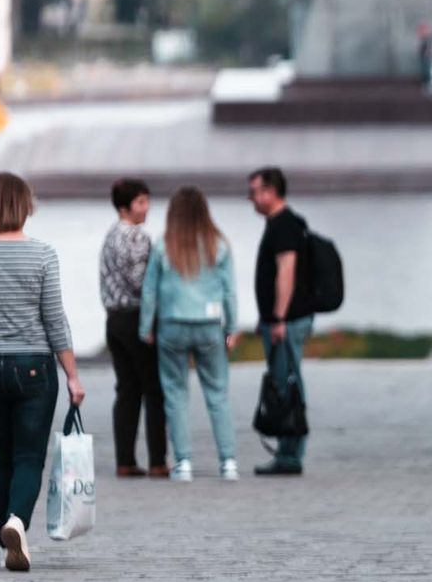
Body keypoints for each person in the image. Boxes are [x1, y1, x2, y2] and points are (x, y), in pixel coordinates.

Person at [0, 171, 86, 572]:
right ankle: (17, 522)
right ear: (26, 206)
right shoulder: (43, 253)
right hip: (35, 368)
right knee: (28, 456)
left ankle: (7, 531)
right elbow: (55, 319)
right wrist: (72, 375)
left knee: (2, 455)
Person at [140, 187, 240, 482]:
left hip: (172, 323)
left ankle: (183, 462)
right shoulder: (218, 244)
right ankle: (228, 461)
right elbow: (230, 291)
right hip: (209, 324)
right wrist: (232, 328)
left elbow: (149, 291)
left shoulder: (163, 244)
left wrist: (146, 327)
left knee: (175, 394)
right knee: (217, 394)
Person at [246, 166, 314, 475]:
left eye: (254, 192)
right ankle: (289, 451)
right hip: (283, 320)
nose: (252, 199)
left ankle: (290, 454)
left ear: (270, 192)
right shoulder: (282, 223)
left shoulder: (285, 225)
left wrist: (279, 318)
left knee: (287, 384)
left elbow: (286, 272)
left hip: (286, 321)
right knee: (286, 381)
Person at [100, 177, 168, 478]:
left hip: (114, 319)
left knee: (126, 390)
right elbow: (143, 283)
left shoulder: (110, 235)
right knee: (153, 390)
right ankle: (157, 461)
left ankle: (124, 460)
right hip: (137, 317)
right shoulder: (137, 237)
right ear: (125, 207)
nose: (146, 207)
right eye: (141, 202)